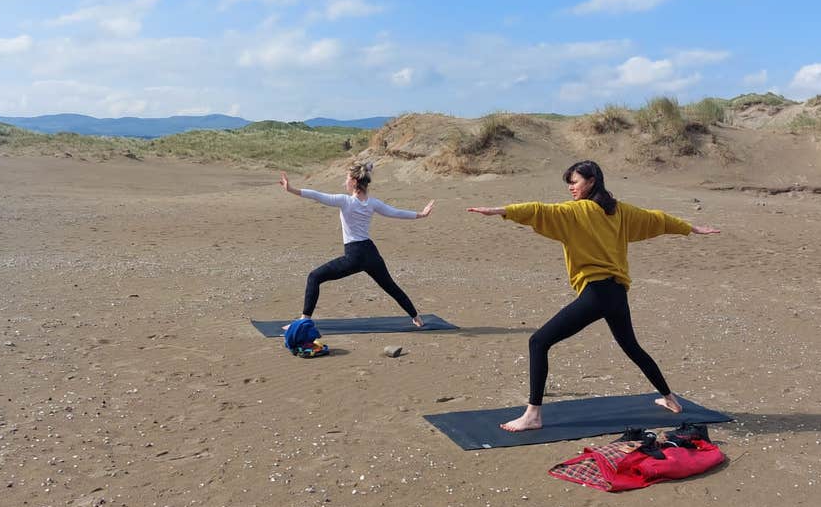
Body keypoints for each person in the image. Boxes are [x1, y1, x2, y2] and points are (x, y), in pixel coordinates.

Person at [467, 160, 720, 432]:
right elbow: (656, 219)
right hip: (617, 294)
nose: (570, 188)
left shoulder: (578, 211)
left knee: (538, 342)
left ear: (590, 181)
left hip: (597, 294)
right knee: (631, 347)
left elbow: (540, 211)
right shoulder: (618, 211)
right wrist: (689, 228)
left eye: (574, 182)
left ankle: (533, 415)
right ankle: (670, 399)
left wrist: (500, 211)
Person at [280, 162, 435, 327]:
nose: (345, 182)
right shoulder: (373, 203)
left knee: (314, 277)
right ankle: (416, 317)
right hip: (371, 253)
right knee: (391, 287)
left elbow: (317, 195)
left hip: (354, 255)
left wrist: (291, 189)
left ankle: (304, 321)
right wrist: (421, 214)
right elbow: (395, 212)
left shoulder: (345, 201)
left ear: (354, 182)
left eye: (347, 179)